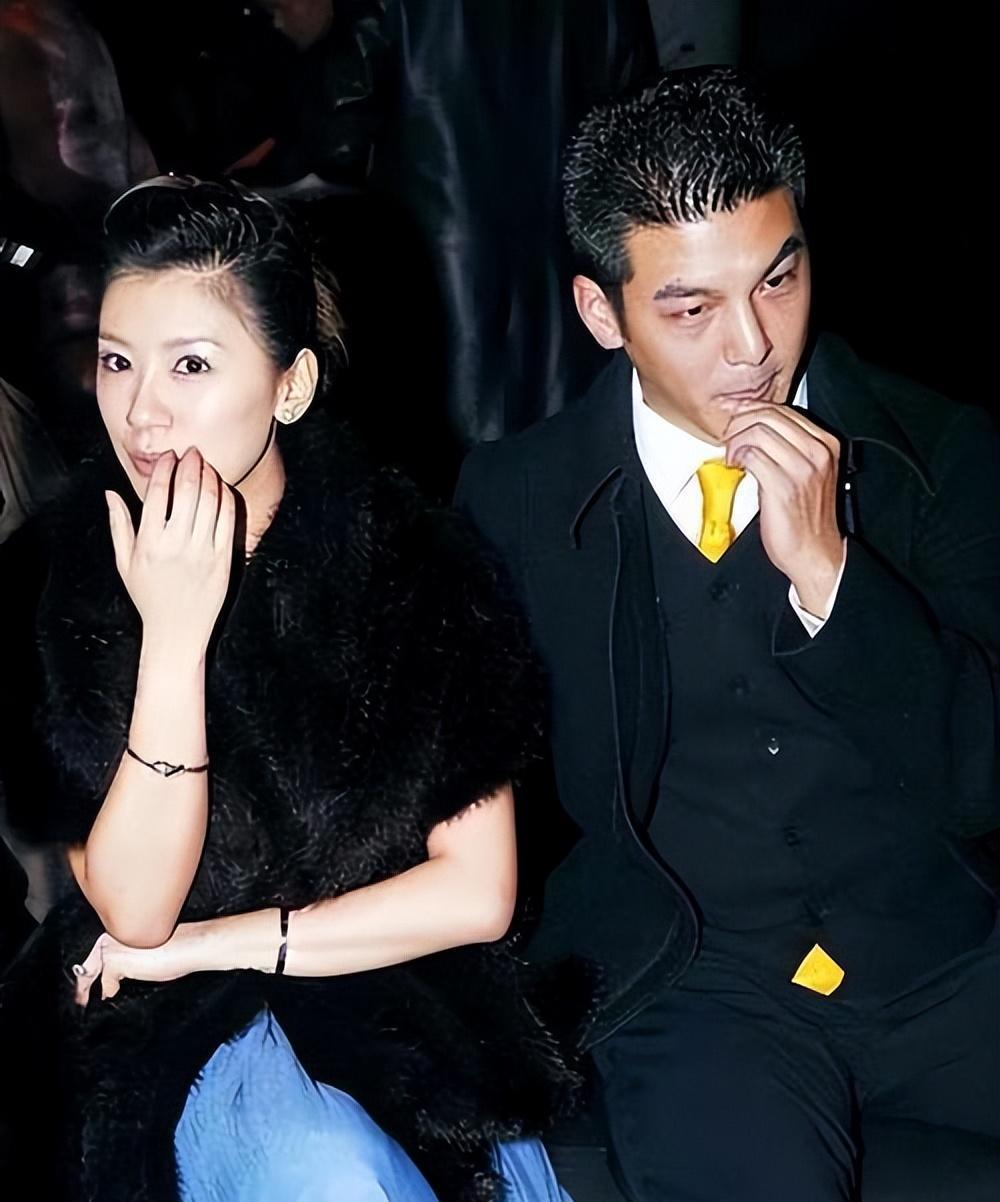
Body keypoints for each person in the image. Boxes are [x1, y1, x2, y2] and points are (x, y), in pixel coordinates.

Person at [456, 67, 1000, 1201]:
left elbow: (983, 776)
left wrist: (836, 581)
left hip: (947, 960)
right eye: (691, 308)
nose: (752, 346)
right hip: (700, 988)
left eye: (778, 279)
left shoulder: (937, 453)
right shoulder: (515, 501)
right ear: (601, 314)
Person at [0, 176, 579, 1201]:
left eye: (190, 364)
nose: (141, 409)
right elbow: (135, 910)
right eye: (118, 360)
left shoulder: (411, 562)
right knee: (329, 1170)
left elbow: (477, 892)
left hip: (394, 997)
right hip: (164, 1029)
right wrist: (172, 640)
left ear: (292, 384)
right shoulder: (59, 576)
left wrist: (225, 942)